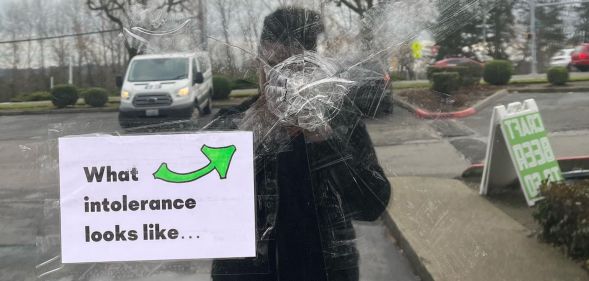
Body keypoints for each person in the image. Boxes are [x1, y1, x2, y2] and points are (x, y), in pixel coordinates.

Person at [209, 7, 391, 281]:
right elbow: (199, 205)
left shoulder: (340, 123)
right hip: (246, 273)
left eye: (291, 70)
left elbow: (371, 205)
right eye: (270, 65)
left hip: (325, 272)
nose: (278, 81)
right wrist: (254, 131)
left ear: (313, 72)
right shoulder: (232, 124)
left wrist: (324, 140)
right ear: (259, 63)